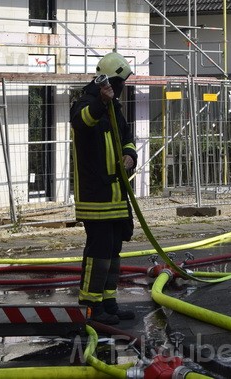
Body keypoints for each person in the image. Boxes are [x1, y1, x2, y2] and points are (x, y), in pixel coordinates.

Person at [70, 52, 138, 325]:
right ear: (108, 81)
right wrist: (101, 102)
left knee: (113, 249)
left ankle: (108, 302)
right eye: (120, 82)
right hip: (96, 195)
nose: (121, 87)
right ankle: (90, 305)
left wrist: (130, 155)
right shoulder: (85, 102)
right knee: (97, 251)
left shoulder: (115, 107)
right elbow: (82, 121)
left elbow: (127, 137)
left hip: (116, 195)